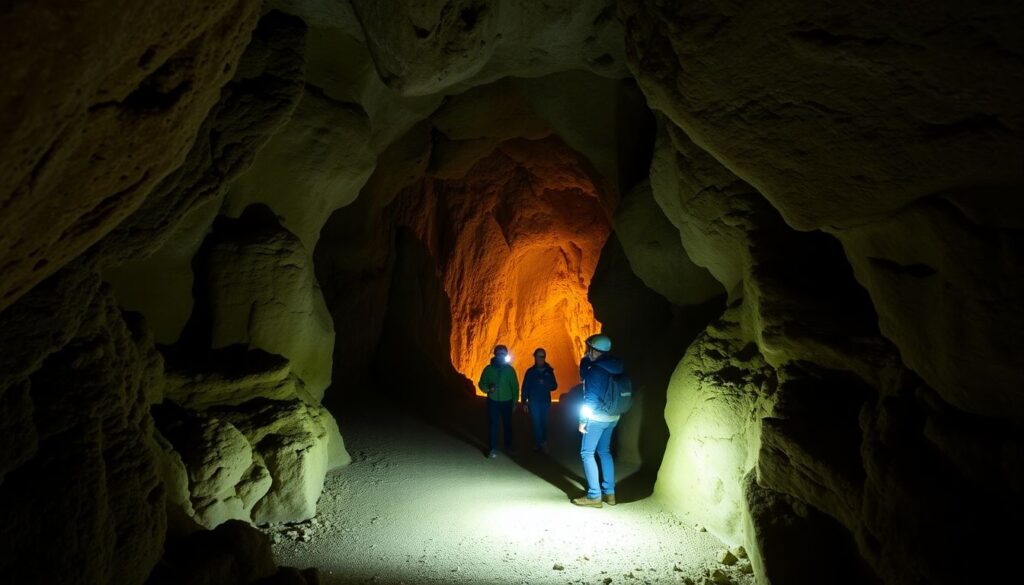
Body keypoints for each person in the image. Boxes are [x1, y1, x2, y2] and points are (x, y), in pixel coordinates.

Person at [572, 333, 623, 508]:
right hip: (613, 416)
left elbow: (590, 399)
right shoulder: (614, 365)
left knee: (587, 453)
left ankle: (594, 495)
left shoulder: (596, 371)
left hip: (597, 417)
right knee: (604, 451)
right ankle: (610, 493)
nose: (587, 351)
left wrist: (582, 420)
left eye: (589, 348)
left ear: (594, 350)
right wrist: (586, 363)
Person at [478, 344, 520, 458]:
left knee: (508, 425)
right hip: (493, 402)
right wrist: (487, 389)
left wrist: (515, 401)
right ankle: (492, 448)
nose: (501, 357)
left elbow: (515, 387)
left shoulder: (510, 370)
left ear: (505, 356)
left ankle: (509, 446)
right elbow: (482, 383)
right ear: (495, 355)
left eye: (503, 355)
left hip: (507, 402)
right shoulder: (488, 369)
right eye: (499, 354)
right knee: (493, 425)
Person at [521, 347, 558, 453]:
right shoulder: (530, 372)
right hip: (534, 402)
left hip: (545, 401)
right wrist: (524, 401)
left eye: (541, 356)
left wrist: (545, 382)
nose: (539, 358)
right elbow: (525, 387)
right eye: (537, 356)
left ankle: (539, 442)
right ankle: (543, 443)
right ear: (535, 357)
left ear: (544, 358)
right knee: (536, 422)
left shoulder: (549, 371)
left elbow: (554, 386)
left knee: (544, 422)